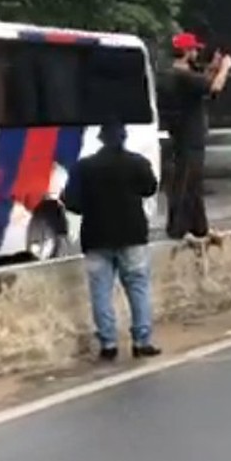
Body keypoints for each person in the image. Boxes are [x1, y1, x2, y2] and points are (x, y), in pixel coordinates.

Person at [61, 122, 162, 361]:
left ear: (101, 139)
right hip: (132, 235)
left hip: (96, 236)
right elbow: (150, 188)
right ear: (124, 137)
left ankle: (108, 344)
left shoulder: (83, 167)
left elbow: (71, 202)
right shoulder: (137, 163)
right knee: (138, 288)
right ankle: (141, 341)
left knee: (101, 292)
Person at [161, 32, 231, 244]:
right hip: (189, 138)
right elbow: (213, 87)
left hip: (182, 137)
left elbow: (201, 84)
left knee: (192, 184)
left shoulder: (173, 76)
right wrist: (225, 67)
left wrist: (212, 68)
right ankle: (178, 229)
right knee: (187, 183)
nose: (196, 53)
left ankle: (199, 227)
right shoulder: (182, 75)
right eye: (193, 50)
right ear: (185, 51)